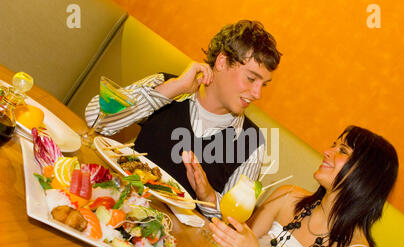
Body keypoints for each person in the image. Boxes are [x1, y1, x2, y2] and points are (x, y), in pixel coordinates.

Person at [85, 20, 282, 219]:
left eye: (263, 85)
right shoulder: (167, 85)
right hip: (113, 205)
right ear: (222, 62)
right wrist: (174, 88)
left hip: (171, 238)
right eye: (251, 78)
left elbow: (231, 220)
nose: (257, 94)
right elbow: (95, 119)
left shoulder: (252, 142)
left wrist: (208, 195)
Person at [209, 125, 399, 247]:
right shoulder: (287, 196)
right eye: (334, 145)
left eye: (342, 151)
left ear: (365, 176)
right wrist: (210, 199)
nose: (326, 151)